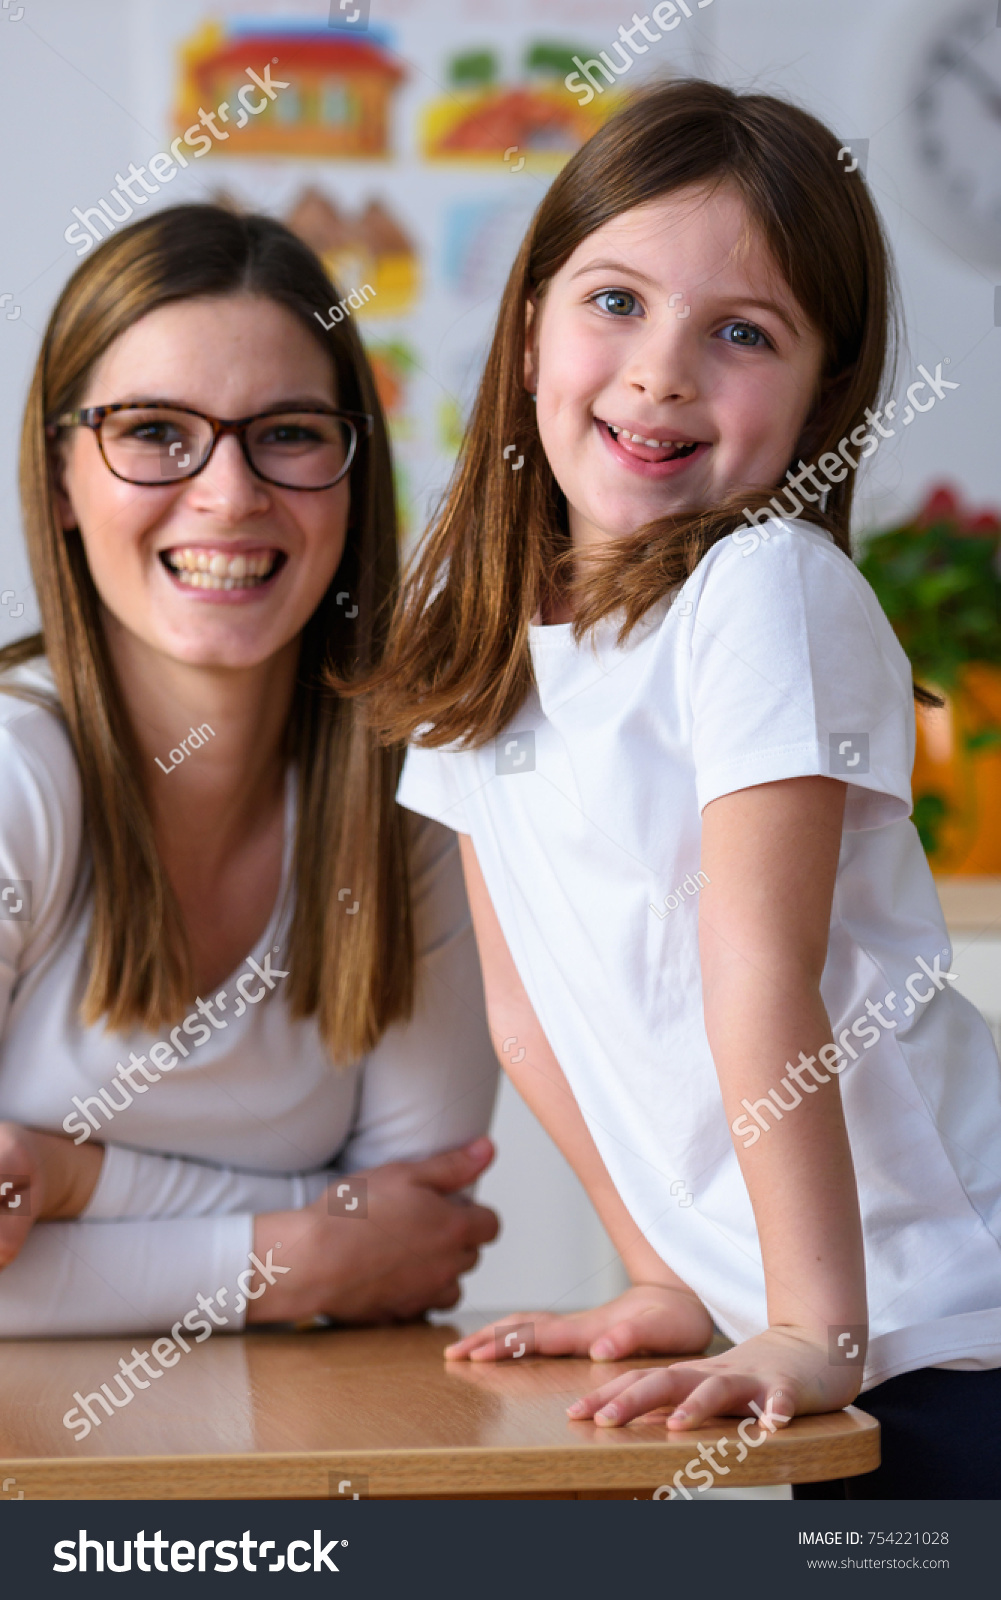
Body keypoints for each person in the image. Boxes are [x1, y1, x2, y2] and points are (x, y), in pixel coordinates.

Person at [354, 81, 1001, 1498]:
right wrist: (667, 1276)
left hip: (948, 1315)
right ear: (531, 320)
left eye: (741, 332)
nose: (661, 374)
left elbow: (758, 969)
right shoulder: (484, 634)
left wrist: (811, 1325)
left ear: (824, 391)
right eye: (616, 302)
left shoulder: (762, 590)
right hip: (824, 1332)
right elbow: (529, 1017)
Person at [0, 204, 499, 1340]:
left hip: (306, 1433)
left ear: (353, 476)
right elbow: (361, 1252)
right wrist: (291, 1258)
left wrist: (74, 1180)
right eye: (153, 430)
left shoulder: (412, 794)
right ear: (63, 479)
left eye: (288, 432)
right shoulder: (14, 774)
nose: (228, 493)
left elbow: (413, 1237)